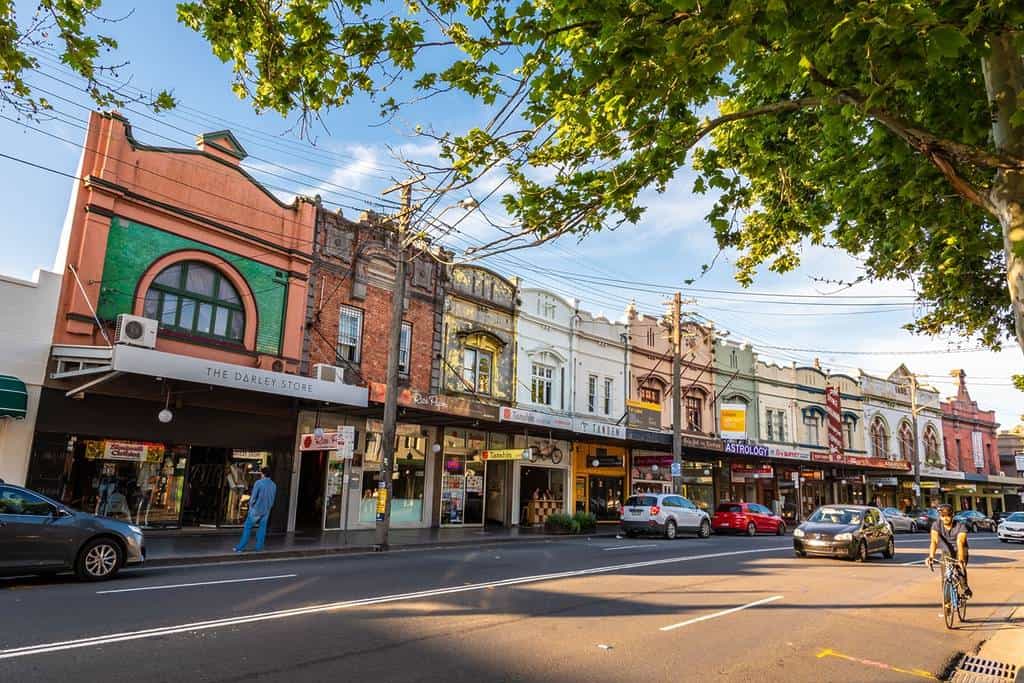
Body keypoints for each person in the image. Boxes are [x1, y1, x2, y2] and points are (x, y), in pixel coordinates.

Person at [927, 503, 972, 599]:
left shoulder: (960, 526)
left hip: (960, 550)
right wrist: (931, 557)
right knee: (945, 575)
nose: (945, 518)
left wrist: (960, 560)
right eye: (943, 516)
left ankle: (965, 588)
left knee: (959, 570)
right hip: (946, 550)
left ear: (952, 516)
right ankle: (947, 604)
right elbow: (934, 541)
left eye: (948, 515)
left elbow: (960, 542)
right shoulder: (936, 525)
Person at [234, 467, 277, 553]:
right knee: (262, 529)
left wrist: (250, 506)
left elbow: (253, 497)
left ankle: (240, 547)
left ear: (263, 474)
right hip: (266, 510)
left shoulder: (259, 483)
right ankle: (258, 547)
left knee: (247, 527)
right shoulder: (274, 485)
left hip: (256, 509)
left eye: (261, 473)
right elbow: (273, 499)